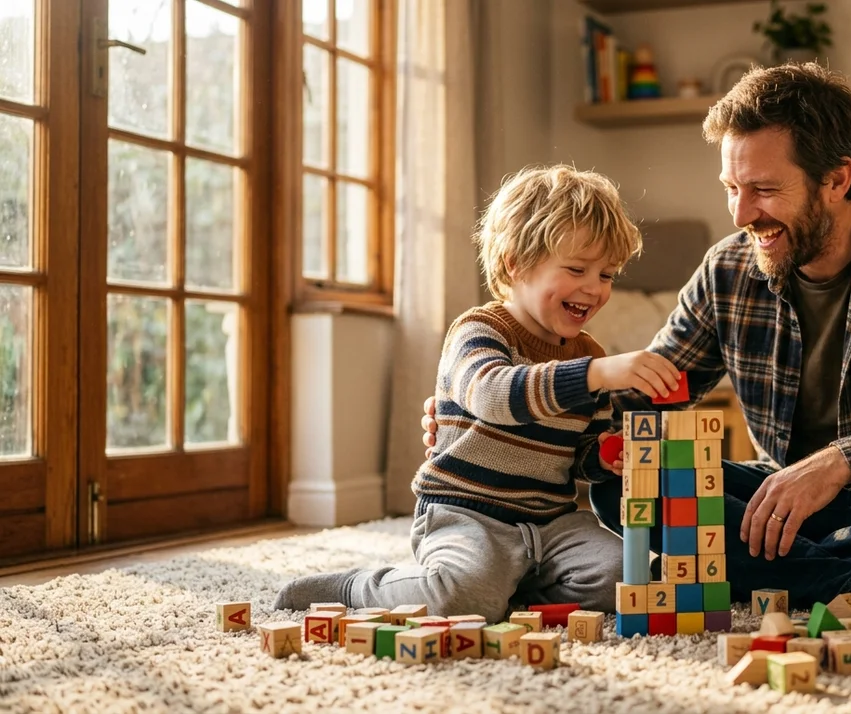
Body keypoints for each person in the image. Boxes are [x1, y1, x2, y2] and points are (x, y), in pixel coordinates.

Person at [424, 62, 851, 620]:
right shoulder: (728, 270)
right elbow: (640, 411)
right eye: (732, 187)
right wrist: (490, 419)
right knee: (633, 482)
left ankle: (802, 576)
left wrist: (841, 462)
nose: (741, 213)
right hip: (776, 505)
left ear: (837, 179)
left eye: (764, 190)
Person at [274, 164, 682, 623]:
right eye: (576, 269)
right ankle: (359, 586)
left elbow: (582, 450)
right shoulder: (479, 330)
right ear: (516, 263)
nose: (595, 288)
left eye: (607, 275)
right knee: (458, 598)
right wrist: (597, 373)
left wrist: (607, 455)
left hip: (550, 521)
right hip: (468, 516)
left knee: (624, 578)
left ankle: (507, 589)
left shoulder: (588, 354)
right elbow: (493, 395)